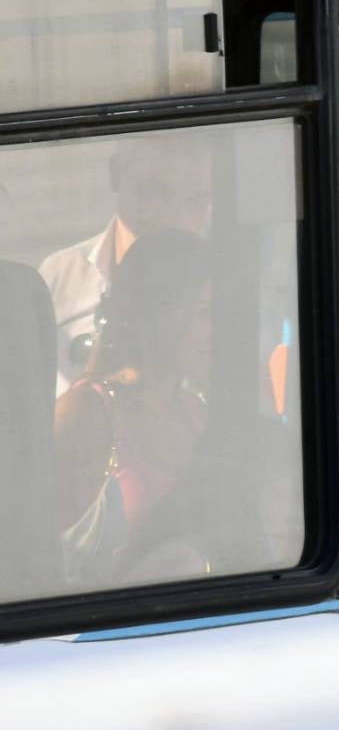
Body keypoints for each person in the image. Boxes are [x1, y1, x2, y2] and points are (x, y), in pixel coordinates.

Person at [54, 230, 213, 586]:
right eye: (205, 313)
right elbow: (36, 558)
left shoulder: (198, 412)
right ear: (164, 314)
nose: (217, 330)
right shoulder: (87, 413)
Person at [39, 132, 212, 396]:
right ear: (116, 173)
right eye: (154, 192)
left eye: (195, 202)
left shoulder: (233, 286)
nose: (173, 216)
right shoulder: (59, 279)